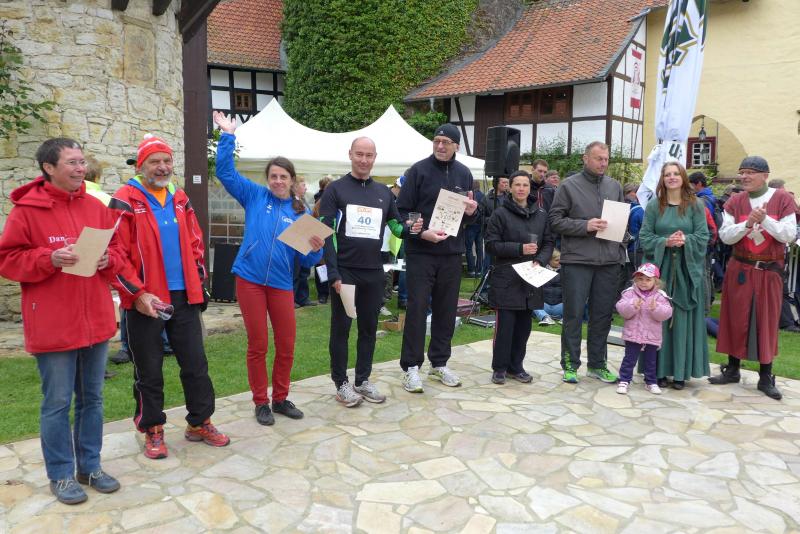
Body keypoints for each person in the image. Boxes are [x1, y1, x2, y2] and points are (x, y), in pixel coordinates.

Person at [0, 138, 121, 504]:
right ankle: (61, 474)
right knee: (57, 402)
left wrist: (109, 260)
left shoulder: (95, 206)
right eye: (72, 162)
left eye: (82, 161)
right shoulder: (26, 210)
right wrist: (48, 258)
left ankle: (90, 467)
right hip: (54, 323)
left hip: (95, 318)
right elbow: (7, 259)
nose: (80, 168)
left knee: (92, 399)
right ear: (49, 168)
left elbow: (117, 249)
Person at [111, 134, 230, 458]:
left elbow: (195, 242)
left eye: (166, 161)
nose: (162, 167)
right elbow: (115, 253)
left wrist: (199, 280)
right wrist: (137, 294)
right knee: (148, 370)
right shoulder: (124, 199)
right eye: (154, 162)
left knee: (196, 364)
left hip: (184, 296)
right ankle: (152, 428)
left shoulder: (179, 197)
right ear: (141, 166)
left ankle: (200, 422)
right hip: (146, 300)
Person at [212, 112, 324, 425]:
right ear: (268, 179)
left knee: (286, 345)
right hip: (249, 280)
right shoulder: (254, 195)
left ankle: (281, 398)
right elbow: (225, 171)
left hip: (280, 284)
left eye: (283, 177)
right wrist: (228, 135)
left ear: (291, 180)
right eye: (273, 176)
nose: (277, 181)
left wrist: (316, 250)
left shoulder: (300, 213)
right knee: (258, 344)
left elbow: (306, 261)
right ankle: (261, 401)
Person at [319, 137, 416, 406]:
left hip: (374, 272)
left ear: (375, 157)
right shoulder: (335, 190)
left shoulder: (383, 192)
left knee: (368, 329)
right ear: (350, 154)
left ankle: (362, 380)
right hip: (345, 273)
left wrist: (413, 228)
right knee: (341, 329)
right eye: (359, 154)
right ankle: (341, 383)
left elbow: (396, 227)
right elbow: (326, 233)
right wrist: (334, 273)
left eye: (368, 155)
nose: (364, 160)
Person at [396, 123, 479, 392]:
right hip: (421, 252)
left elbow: (471, 216)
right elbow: (402, 210)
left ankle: (439, 363)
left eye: (446, 142)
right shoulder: (418, 170)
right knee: (417, 309)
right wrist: (422, 233)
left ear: (456, 146)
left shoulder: (464, 173)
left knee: (446, 310)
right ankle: (411, 367)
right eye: (436, 141)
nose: (440, 146)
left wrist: (472, 212)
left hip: (451, 253)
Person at [710, 156, 797, 400]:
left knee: (766, 321)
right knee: (735, 318)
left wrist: (765, 220)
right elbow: (726, 236)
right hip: (740, 268)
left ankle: (765, 376)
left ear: (765, 175)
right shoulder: (735, 201)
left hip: (769, 270)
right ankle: (732, 369)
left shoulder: (782, 199)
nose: (744, 177)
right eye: (742, 172)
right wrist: (748, 223)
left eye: (750, 172)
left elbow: (788, 234)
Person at [548, 142, 625, 384]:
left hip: (609, 261)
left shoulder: (614, 186)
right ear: (585, 158)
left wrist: (621, 241)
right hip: (577, 261)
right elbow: (554, 221)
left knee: (602, 316)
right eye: (598, 158)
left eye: (606, 159)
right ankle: (570, 365)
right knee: (573, 314)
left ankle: (597, 365)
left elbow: (621, 221)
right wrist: (585, 226)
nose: (603, 163)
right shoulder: (568, 186)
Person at [638, 162, 710, 390]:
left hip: (686, 270)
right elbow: (644, 236)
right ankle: (657, 370)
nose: (671, 177)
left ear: (683, 177)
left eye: (676, 174)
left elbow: (703, 235)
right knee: (657, 317)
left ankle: (680, 372)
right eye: (667, 174)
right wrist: (665, 242)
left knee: (681, 319)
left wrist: (685, 240)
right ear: (662, 179)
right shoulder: (654, 206)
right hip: (661, 271)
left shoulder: (695, 205)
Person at [485, 172, 554, 384]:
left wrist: (540, 260)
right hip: (507, 278)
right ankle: (500, 368)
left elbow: (548, 242)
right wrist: (519, 248)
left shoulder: (541, 214)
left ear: (529, 188)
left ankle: (516, 367)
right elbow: (491, 245)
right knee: (505, 327)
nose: (521, 188)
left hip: (531, 279)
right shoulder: (500, 214)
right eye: (517, 185)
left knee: (524, 328)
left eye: (525, 185)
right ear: (510, 187)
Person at [614, 263, 673, 395]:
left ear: (655, 281)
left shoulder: (660, 296)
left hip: (652, 335)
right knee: (629, 359)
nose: (644, 282)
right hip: (633, 334)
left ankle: (651, 382)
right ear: (635, 280)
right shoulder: (629, 293)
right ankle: (624, 380)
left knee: (651, 361)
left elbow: (667, 313)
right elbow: (621, 309)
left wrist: (656, 308)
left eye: (648, 279)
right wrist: (632, 305)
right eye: (640, 279)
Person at [293, 175, 317, 309]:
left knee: (304, 271)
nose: (306, 188)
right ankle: (291, 298)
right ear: (295, 186)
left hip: (305, 239)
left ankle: (303, 298)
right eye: (303, 185)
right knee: (295, 271)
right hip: (296, 240)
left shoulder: (302, 201)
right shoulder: (291, 202)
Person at [533, 249, 563, 325]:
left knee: (573, 302)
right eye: (557, 260)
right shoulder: (541, 270)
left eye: (561, 260)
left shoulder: (565, 271)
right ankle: (546, 317)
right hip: (544, 305)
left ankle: (565, 319)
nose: (560, 262)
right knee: (533, 302)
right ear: (549, 260)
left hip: (559, 306)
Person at [464, 181, 485, 277]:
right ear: (479, 186)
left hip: (470, 225)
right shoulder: (484, 196)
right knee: (479, 248)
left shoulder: (469, 197)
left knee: (468, 248)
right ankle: (479, 270)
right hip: (480, 225)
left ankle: (471, 270)